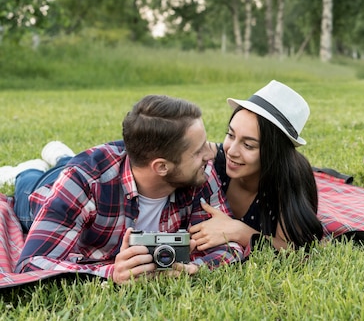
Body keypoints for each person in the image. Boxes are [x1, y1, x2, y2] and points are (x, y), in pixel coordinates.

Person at [7, 94, 246, 284]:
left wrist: (195, 268)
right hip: (43, 196)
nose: (210, 154)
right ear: (161, 166)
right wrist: (111, 272)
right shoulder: (84, 180)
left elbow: (228, 246)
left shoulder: (200, 170)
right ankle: (26, 169)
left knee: (64, 164)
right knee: (28, 188)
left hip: (100, 167)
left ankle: (61, 156)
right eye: (197, 151)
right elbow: (32, 263)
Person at [189, 80, 324, 251]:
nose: (232, 151)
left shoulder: (288, 178)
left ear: (274, 152)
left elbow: (294, 250)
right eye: (230, 135)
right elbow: (176, 151)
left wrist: (239, 231)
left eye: (248, 145)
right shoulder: (215, 157)